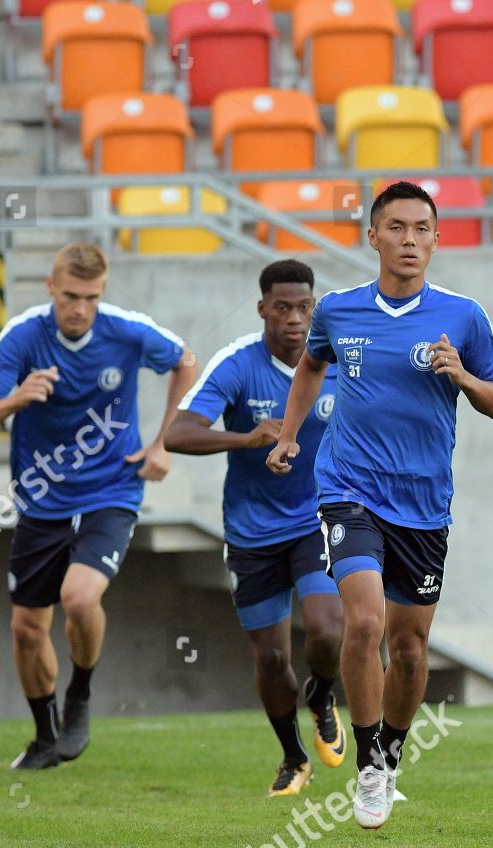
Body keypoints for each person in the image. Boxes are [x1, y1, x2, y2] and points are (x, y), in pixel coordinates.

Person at [267, 182, 493, 830]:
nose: (409, 240)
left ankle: (392, 758)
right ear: (372, 236)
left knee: (408, 646)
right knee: (365, 623)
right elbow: (311, 367)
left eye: (421, 228)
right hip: (349, 489)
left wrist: (460, 375)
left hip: (424, 504)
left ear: (436, 238)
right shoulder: (340, 311)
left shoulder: (463, 316)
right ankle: (369, 764)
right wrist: (290, 437)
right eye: (396, 228)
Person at [0, 242, 198, 769]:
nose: (80, 308)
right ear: (51, 287)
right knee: (26, 628)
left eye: (90, 297)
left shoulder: (127, 330)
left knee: (81, 598)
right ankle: (45, 738)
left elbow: (185, 362)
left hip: (110, 491)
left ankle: (81, 693)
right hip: (41, 499)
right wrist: (16, 399)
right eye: (70, 296)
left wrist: (163, 443)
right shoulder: (23, 335)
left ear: (102, 292)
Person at [166, 259, 346, 797]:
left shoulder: (337, 359)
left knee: (328, 628)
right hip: (251, 530)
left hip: (317, 519)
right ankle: (292, 757)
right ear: (263, 309)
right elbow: (177, 434)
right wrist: (244, 439)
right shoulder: (237, 364)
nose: (295, 318)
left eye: (304, 307)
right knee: (270, 657)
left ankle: (322, 694)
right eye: (283, 308)